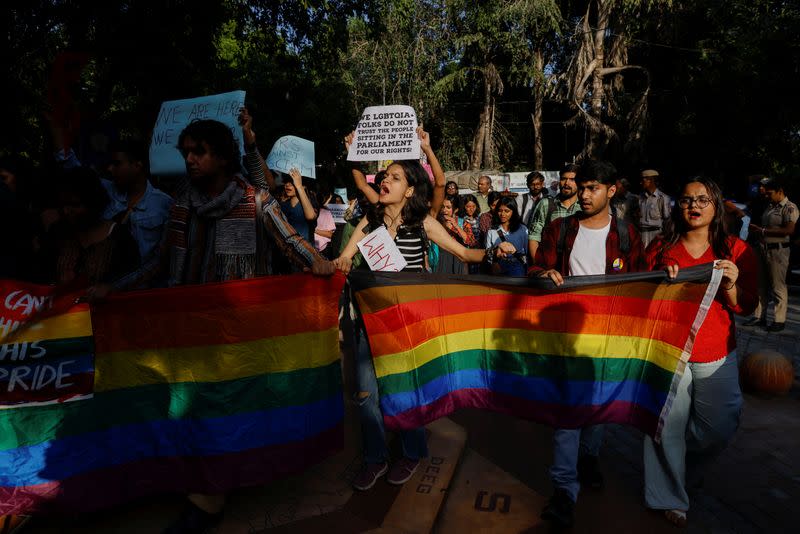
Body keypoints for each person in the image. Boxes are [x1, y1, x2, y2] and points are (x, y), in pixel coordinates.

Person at [333, 152, 512, 491]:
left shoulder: (422, 224)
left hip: (407, 325)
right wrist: (340, 261)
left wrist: (493, 251)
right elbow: (345, 256)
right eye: (385, 176)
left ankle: (411, 452)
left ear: (411, 190)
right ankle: (375, 458)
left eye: (396, 177)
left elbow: (463, 254)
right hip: (370, 324)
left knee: (405, 389)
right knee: (366, 394)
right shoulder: (369, 222)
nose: (385, 180)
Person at [529, 160, 645, 529]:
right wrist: (543, 273)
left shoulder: (627, 235)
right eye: (582, 187)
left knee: (598, 407)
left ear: (612, 190)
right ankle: (564, 490)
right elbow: (535, 269)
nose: (584, 194)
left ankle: (589, 456)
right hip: (568, 337)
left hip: (609, 339)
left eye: (593, 187)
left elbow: (642, 281)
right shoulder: (560, 229)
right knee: (568, 415)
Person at [643, 177, 758, 528]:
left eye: (702, 199)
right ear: (677, 206)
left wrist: (733, 284)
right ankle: (669, 496)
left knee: (719, 426)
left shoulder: (737, 250)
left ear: (716, 205)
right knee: (664, 426)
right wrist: (660, 282)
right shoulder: (661, 249)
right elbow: (641, 300)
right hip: (668, 348)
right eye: (686, 200)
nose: (693, 206)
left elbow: (748, 306)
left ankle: (679, 466)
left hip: (715, 350)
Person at [744, 177, 797, 331]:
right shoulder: (770, 206)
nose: (767, 195)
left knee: (777, 286)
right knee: (760, 285)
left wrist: (763, 231)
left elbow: (789, 230)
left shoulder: (789, 207)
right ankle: (759, 316)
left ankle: (779, 320)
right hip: (762, 249)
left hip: (778, 251)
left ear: (780, 191)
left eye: (770, 193)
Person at [527, 164, 581, 262]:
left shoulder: (583, 206)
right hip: (550, 265)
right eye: (564, 178)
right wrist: (541, 268)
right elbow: (533, 237)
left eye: (572, 179)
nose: (567, 183)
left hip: (577, 267)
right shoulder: (545, 204)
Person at [485, 196, 528, 276]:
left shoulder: (522, 229)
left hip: (517, 268)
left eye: (507, 211)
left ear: (513, 211)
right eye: (500, 211)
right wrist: (494, 263)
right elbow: (488, 252)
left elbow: (527, 252)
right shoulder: (492, 230)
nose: (502, 214)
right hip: (498, 267)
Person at [435, 195, 475, 274]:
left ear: (456, 209)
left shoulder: (463, 223)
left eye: (448, 207)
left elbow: (471, 242)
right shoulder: (437, 221)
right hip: (441, 258)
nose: (444, 210)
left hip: (458, 259)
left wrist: (455, 226)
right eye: (443, 207)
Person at [639, 168, 672, 247]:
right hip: (641, 235)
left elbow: (667, 220)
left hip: (656, 235)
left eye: (643, 180)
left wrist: (664, 236)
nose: (640, 183)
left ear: (650, 180)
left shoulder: (663, 198)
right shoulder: (640, 198)